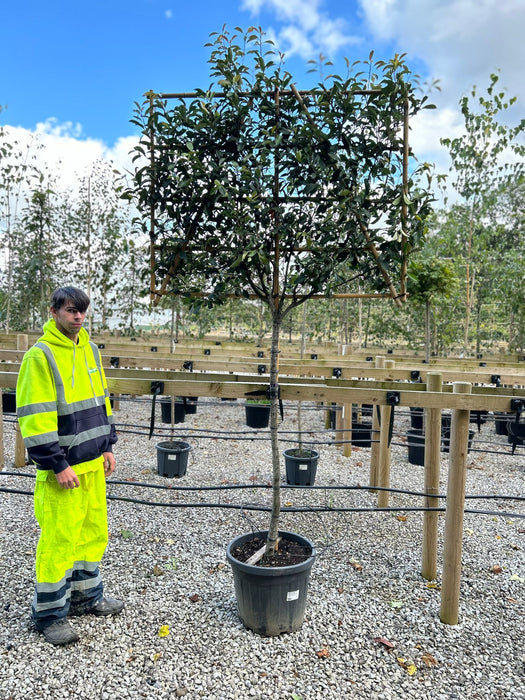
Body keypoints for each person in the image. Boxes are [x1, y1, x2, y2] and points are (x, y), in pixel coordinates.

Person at [16, 286, 123, 645]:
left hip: (93, 464)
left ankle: (86, 596)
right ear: (54, 312)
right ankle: (48, 614)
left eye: (82, 311)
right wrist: (57, 463)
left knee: (93, 533)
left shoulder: (90, 350)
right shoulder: (40, 357)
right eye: (70, 310)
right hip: (63, 470)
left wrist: (107, 445)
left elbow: (101, 399)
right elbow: (34, 418)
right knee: (59, 540)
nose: (78, 316)